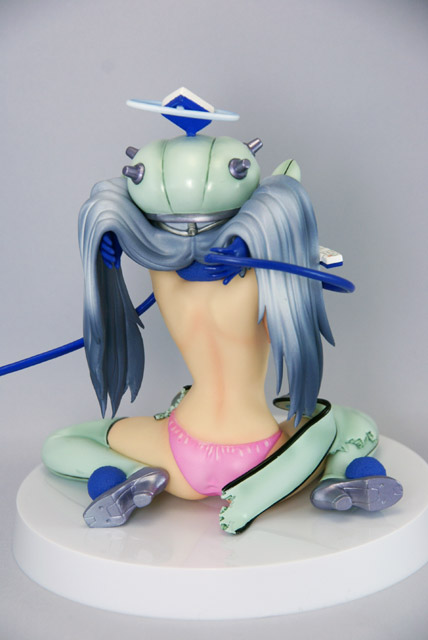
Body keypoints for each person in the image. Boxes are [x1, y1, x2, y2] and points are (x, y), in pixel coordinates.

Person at [42, 90, 403, 534]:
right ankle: (343, 474)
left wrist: (117, 241)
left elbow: (141, 227)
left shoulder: (162, 277)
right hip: (265, 456)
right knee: (352, 424)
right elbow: (292, 238)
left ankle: (123, 478)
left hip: (178, 460)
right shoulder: (268, 281)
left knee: (64, 442)